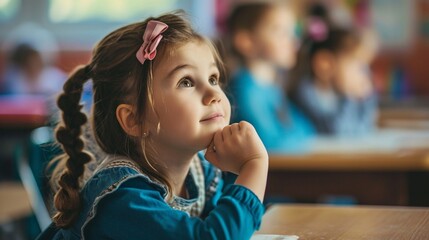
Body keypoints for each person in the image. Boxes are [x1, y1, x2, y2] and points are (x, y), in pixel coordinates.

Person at [37, 11, 268, 240]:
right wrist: (254, 166)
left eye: (213, 78)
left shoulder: (200, 173)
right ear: (133, 120)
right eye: (186, 82)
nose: (214, 94)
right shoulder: (124, 197)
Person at [226, 2, 314, 153]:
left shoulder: (271, 88)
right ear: (246, 41)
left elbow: (307, 129)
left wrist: (293, 136)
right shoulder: (244, 88)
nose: (294, 41)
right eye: (281, 32)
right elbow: (269, 143)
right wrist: (294, 137)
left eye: (294, 32)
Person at [287, 17, 377, 136]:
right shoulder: (304, 92)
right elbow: (334, 130)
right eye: (357, 66)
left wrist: (367, 98)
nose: (363, 75)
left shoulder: (336, 94)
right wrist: (350, 96)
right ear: (325, 64)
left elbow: (366, 126)